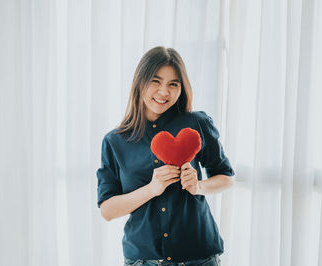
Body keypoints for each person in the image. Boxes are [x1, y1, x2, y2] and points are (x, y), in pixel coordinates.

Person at [96, 46, 235, 266]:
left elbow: (226, 178)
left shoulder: (196, 124)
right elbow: (107, 210)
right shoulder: (115, 141)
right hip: (143, 260)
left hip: (198, 258)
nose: (164, 92)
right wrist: (152, 189)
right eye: (155, 81)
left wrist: (198, 186)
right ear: (140, 82)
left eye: (173, 84)